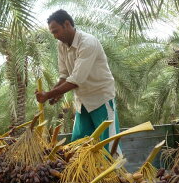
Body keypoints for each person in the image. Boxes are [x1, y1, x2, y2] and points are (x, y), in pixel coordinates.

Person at [35, 9, 121, 153]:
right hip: (82, 102)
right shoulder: (61, 45)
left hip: (101, 99)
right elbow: (64, 75)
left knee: (109, 146)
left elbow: (76, 80)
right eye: (52, 33)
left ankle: (116, 175)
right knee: (79, 146)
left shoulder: (87, 43)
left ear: (67, 24)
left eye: (56, 31)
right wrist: (56, 92)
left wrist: (48, 94)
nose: (55, 36)